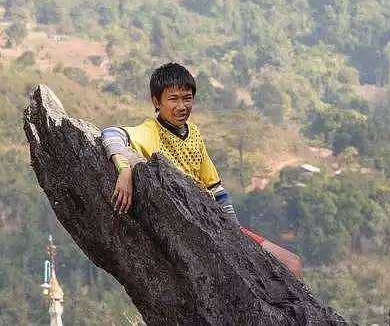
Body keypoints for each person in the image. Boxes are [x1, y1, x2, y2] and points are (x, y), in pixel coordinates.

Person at [101, 62, 302, 277]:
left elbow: (215, 188)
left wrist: (233, 230)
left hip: (218, 222)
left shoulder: (193, 132)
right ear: (156, 102)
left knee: (293, 264)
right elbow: (111, 133)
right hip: (195, 227)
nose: (181, 106)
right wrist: (125, 169)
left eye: (187, 98)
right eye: (173, 99)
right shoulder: (151, 131)